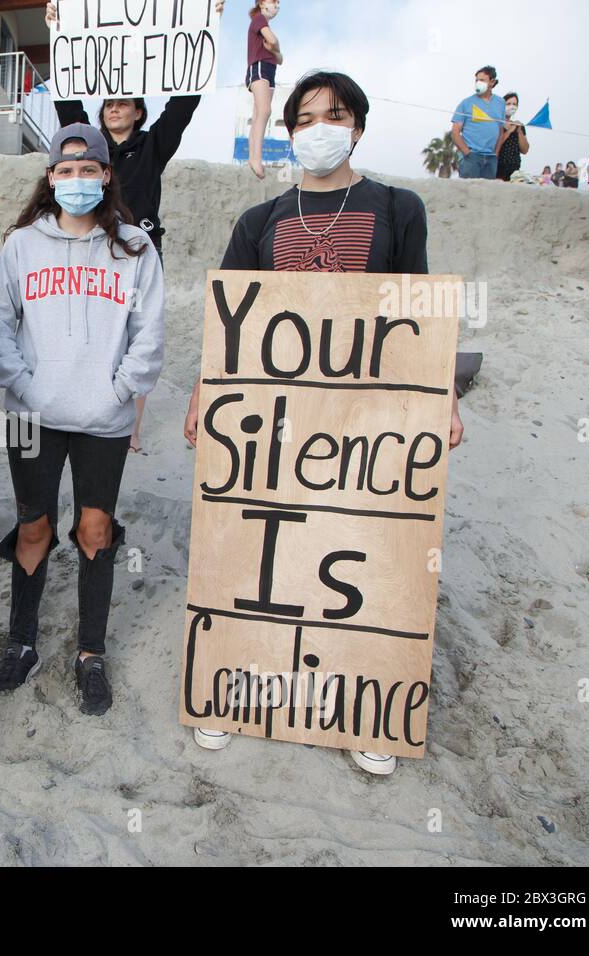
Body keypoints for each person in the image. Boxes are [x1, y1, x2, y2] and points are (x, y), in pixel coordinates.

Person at [182, 71, 465, 776]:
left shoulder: (399, 208)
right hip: (273, 428)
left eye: (333, 115)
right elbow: (231, 325)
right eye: (304, 119)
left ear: (358, 126)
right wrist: (201, 392)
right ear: (288, 133)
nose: (319, 129)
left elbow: (418, 307)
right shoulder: (259, 222)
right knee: (262, 553)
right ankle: (237, 688)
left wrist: (444, 395)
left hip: (366, 422)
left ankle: (362, 707)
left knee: (353, 552)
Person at [0, 123, 166, 718]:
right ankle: (23, 641)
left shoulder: (135, 248)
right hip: (33, 416)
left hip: (103, 418)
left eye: (90, 170)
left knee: (94, 529)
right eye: (66, 170)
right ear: (50, 177)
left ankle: (90, 653)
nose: (77, 179)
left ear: (107, 175)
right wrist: (24, 386)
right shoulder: (21, 246)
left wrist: (120, 391)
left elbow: (149, 335)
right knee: (34, 527)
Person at [45, 0, 220, 454]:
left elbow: (184, 103)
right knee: (96, 329)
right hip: (93, 249)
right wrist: (57, 31)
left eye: (124, 102)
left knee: (138, 334)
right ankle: (86, 407)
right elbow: (67, 101)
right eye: (109, 102)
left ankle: (131, 426)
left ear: (140, 112)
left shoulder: (153, 146)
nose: (115, 107)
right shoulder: (91, 150)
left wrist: (206, 27)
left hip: (140, 254)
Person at [244, 0, 283, 180]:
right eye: (273, 1)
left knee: (259, 113)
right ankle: (255, 158)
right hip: (259, 66)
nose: (276, 5)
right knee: (264, 111)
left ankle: (253, 157)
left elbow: (280, 58)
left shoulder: (264, 24)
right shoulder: (259, 19)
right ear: (261, 3)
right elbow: (274, 41)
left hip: (270, 68)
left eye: (278, 3)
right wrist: (274, 46)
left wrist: (274, 49)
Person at [451, 65, 506, 180]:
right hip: (471, 158)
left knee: (487, 196)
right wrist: (467, 153)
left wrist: (496, 153)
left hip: (491, 159)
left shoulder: (500, 103)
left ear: (492, 82)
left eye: (482, 80)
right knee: (468, 195)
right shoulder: (466, 103)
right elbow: (455, 132)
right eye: (476, 80)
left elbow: (500, 131)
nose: (478, 83)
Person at [494, 91, 530, 181]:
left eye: (514, 104)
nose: (512, 106)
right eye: (509, 103)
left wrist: (519, 131)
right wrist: (509, 131)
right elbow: (493, 144)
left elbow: (525, 150)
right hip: (498, 166)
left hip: (514, 169)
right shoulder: (496, 123)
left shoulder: (519, 126)